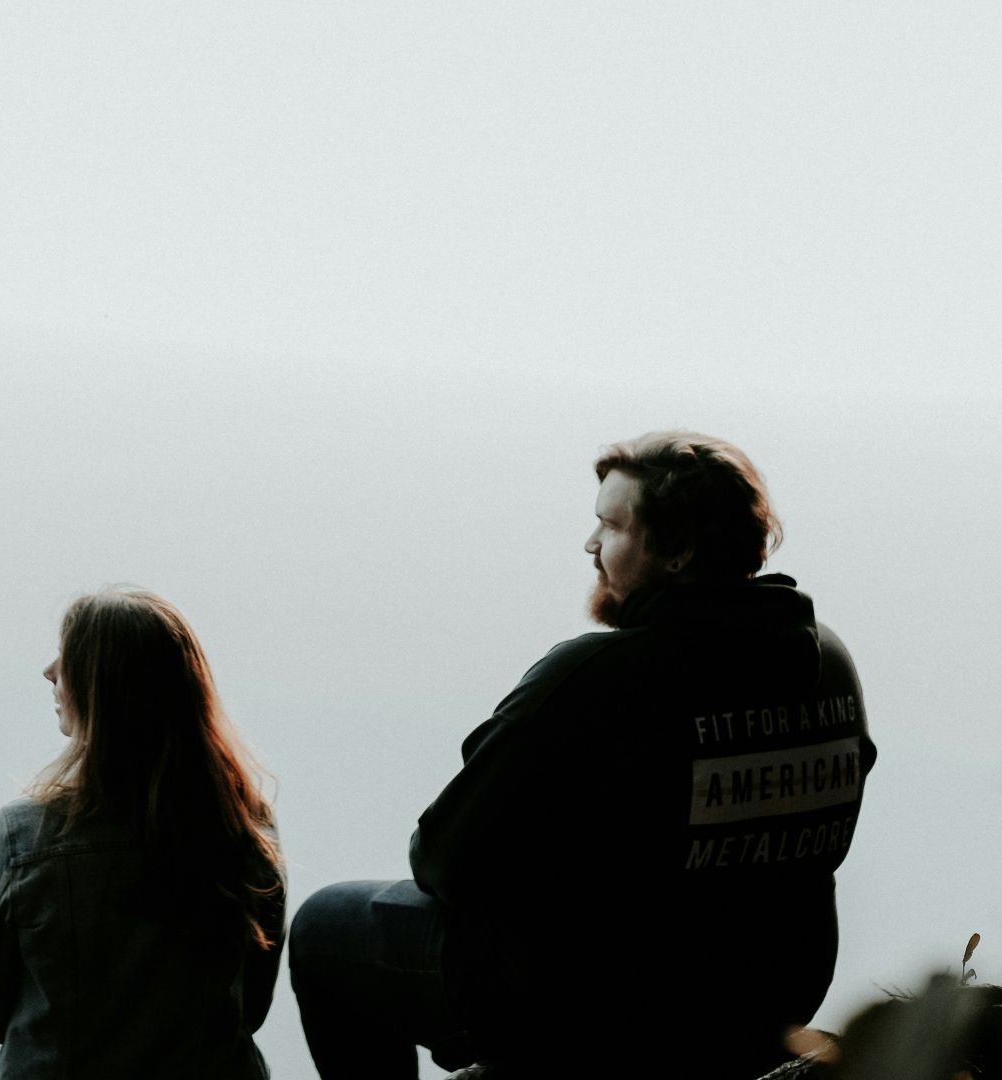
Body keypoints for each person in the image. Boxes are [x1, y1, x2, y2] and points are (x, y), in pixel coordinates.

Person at [291, 432, 875, 1080]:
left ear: (678, 550)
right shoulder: (829, 664)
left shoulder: (598, 676)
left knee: (324, 929)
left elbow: (443, 858)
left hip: (614, 1014)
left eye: (612, 525)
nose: (592, 545)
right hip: (767, 999)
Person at [0, 589, 286, 1079]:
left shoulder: (19, 836)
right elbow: (253, 1007)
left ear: (104, 686)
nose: (50, 670)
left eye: (68, 656)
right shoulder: (245, 824)